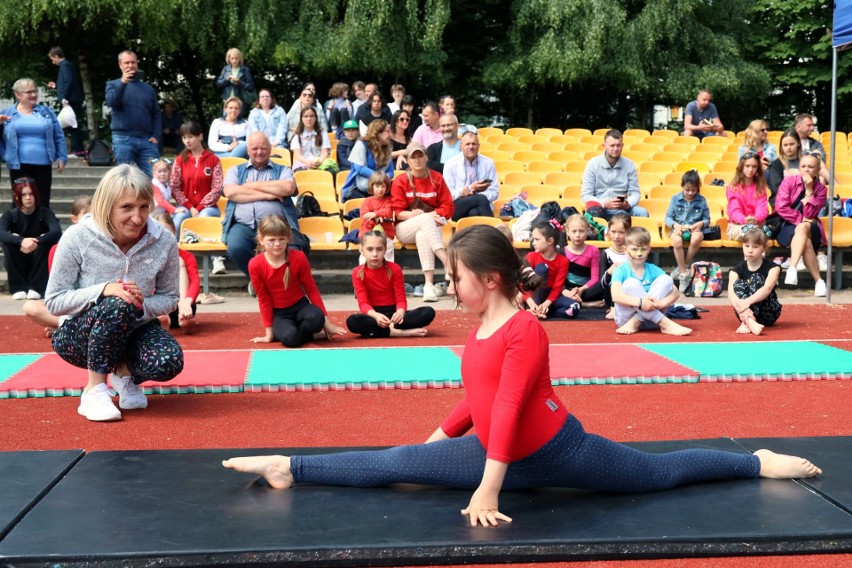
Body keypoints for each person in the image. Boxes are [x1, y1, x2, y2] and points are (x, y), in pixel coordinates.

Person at [223, 224, 822, 527]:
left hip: (558, 450)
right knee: (393, 463)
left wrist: (488, 486)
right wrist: (441, 435)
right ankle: (288, 466)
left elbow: (508, 405)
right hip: (497, 449)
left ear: (488, 279)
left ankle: (755, 461)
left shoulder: (525, 330)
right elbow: (478, 397)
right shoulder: (482, 325)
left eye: (456, 277)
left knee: (657, 475)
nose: (449, 288)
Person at [44, 164, 183, 422]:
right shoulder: (77, 237)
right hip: (78, 336)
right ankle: (94, 389)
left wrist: (142, 305)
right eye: (127, 208)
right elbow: (54, 301)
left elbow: (171, 297)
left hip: (135, 329)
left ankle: (123, 373)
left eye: (144, 206)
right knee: (117, 303)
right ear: (107, 206)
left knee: (169, 361)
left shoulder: (164, 240)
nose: (138, 217)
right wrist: (104, 290)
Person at [249, 214, 345, 347]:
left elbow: (311, 289)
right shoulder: (255, 264)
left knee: (317, 318)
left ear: (288, 238)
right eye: (271, 240)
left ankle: (303, 331)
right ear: (261, 240)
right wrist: (269, 334)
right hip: (280, 313)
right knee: (290, 339)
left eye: (281, 239)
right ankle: (307, 335)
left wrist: (327, 324)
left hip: (301, 306)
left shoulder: (299, 257)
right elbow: (263, 298)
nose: (277, 244)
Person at [222, 132, 305, 282]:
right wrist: (268, 194)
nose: (259, 152)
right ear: (247, 150)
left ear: (270, 149)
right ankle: (260, 281)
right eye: (254, 148)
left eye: (263, 148)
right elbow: (231, 192)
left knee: (293, 249)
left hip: (276, 224)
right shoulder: (236, 170)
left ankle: (280, 282)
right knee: (235, 247)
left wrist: (251, 186)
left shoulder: (283, 169)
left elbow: (287, 188)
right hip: (243, 225)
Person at [391, 142, 454, 303]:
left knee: (422, 234)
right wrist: (415, 215)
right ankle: (448, 262)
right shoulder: (401, 180)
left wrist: (432, 214)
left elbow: (448, 207)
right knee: (424, 220)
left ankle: (428, 285)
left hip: (431, 226)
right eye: (413, 157)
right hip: (405, 227)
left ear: (426, 157)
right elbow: (397, 212)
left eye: (420, 156)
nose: (417, 160)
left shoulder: (437, 177)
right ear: (408, 160)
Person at [347, 230, 435, 338]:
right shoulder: (357, 272)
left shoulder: (395, 269)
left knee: (428, 312)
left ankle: (383, 331)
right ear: (362, 250)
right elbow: (363, 303)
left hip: (394, 316)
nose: (375, 254)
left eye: (379, 249)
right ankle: (398, 333)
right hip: (374, 316)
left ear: (385, 250)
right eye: (370, 249)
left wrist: (400, 313)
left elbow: (401, 299)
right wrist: (376, 316)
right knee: (352, 321)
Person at [23, 196, 90, 336]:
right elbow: (58, 292)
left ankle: (67, 329)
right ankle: (67, 326)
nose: (92, 222)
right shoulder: (59, 248)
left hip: (96, 305)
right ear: (74, 219)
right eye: (87, 216)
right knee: (31, 307)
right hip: (73, 306)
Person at [611, 226, 692, 336]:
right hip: (626, 321)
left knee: (666, 279)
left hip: (652, 322)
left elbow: (675, 292)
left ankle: (637, 320)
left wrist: (661, 303)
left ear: (649, 249)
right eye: (634, 249)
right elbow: (615, 296)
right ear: (625, 249)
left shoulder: (653, 269)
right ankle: (666, 324)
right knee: (631, 283)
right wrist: (641, 303)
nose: (639, 254)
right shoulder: (620, 270)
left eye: (643, 249)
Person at [0, 78, 68, 208]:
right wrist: (4, 155)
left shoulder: (47, 112)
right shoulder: (6, 114)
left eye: (35, 91)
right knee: (20, 200)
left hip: (43, 163)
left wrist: (61, 157)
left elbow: (58, 135)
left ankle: (43, 227)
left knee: (42, 200)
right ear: (18, 95)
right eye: (29, 92)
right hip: (18, 164)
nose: (33, 95)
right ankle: (19, 227)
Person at [170, 122, 226, 276]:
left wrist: (200, 207)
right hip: (186, 207)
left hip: (207, 207)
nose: (187, 141)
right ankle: (169, 261)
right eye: (184, 137)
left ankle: (216, 259)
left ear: (200, 136)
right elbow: (174, 187)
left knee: (205, 217)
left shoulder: (213, 160)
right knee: (179, 218)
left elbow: (217, 187)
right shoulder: (180, 160)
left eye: (191, 136)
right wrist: (189, 206)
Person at [0, 177, 61, 300]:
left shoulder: (45, 213)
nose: (28, 198)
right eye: (24, 194)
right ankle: (18, 287)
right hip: (18, 259)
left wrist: (36, 240)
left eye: (31, 194)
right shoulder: (10, 215)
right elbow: (1, 232)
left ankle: (37, 287)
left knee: (47, 241)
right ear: (16, 196)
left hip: (39, 259)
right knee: (9, 243)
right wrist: (21, 241)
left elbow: (56, 232)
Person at [776, 153, 828, 296]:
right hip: (787, 225)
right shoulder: (788, 182)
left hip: (813, 228)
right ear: (799, 168)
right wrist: (801, 220)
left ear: (817, 170)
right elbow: (781, 207)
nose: (806, 170)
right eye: (803, 166)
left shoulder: (821, 189)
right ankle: (819, 282)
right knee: (806, 240)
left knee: (804, 227)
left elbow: (811, 214)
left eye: (811, 167)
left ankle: (792, 268)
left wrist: (809, 190)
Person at [105, 50, 161, 177]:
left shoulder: (148, 89)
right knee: (125, 179)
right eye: (126, 63)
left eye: (133, 62)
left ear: (137, 64)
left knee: (154, 177)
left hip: (148, 141)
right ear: (120, 65)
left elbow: (156, 113)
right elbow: (112, 102)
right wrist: (123, 83)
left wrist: (156, 136)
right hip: (123, 139)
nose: (130, 65)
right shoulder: (112, 85)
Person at [581, 129, 648, 220]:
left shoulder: (629, 164)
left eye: (618, 145)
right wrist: (604, 203)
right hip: (600, 207)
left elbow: (635, 193)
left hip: (622, 208)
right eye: (612, 145)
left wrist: (628, 204)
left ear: (622, 146)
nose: (616, 149)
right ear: (604, 146)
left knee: (643, 213)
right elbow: (586, 195)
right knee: (594, 212)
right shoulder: (593, 164)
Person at [728, 227, 782, 336]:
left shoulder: (773, 268)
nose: (750, 250)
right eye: (746, 246)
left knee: (756, 277)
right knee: (738, 284)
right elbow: (731, 294)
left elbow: (767, 289)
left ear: (764, 248)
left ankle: (746, 321)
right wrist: (742, 310)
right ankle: (749, 321)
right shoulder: (735, 270)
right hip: (743, 312)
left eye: (755, 247)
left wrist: (746, 303)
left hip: (768, 312)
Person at [665, 170, 712, 292]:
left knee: (696, 238)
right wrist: (675, 226)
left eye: (693, 190)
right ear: (682, 186)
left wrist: (701, 223)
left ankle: (682, 267)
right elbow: (668, 217)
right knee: (677, 242)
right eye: (687, 190)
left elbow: (707, 219)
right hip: (679, 229)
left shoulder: (702, 200)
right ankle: (684, 274)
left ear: (698, 188)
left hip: (694, 229)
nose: (690, 193)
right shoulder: (675, 199)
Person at [153, 213, 198, 333]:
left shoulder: (187, 256)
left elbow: (195, 282)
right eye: (158, 235)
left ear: (174, 232)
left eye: (167, 234)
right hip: (159, 307)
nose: (163, 239)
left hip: (182, 305)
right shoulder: (148, 257)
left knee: (180, 261)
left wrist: (186, 302)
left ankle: (184, 318)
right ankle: (163, 321)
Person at [523, 218, 576, 319]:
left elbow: (557, 287)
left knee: (574, 307)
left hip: (551, 297)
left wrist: (546, 304)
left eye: (537, 239)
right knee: (542, 268)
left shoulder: (563, 261)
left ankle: (543, 311)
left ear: (550, 241)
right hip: (534, 296)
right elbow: (522, 284)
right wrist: (531, 303)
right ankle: (535, 309)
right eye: (533, 239)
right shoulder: (531, 256)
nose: (533, 243)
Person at [443, 131, 499, 221]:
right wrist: (467, 190)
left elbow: (494, 193)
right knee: (481, 199)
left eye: (474, 144)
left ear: (479, 146)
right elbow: (447, 196)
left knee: (474, 213)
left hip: (480, 207)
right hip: (457, 207)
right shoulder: (450, 164)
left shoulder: (488, 163)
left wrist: (474, 196)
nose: (471, 147)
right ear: (461, 147)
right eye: (467, 144)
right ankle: (494, 230)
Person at [341, 119, 394, 201]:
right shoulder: (361, 144)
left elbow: (391, 171)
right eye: (387, 131)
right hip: (357, 189)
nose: (390, 134)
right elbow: (359, 168)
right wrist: (378, 177)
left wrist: (383, 178)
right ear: (378, 133)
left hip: (379, 188)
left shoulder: (387, 148)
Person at [592, 212, 631, 319]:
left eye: (621, 232)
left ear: (628, 232)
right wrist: (610, 271)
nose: (616, 236)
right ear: (608, 231)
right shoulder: (606, 254)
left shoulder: (633, 251)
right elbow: (602, 284)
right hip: (612, 296)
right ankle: (614, 307)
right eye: (613, 232)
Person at [47, 47, 85, 157]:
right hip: (72, 99)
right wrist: (56, 86)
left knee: (73, 124)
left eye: (52, 59)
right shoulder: (66, 65)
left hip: (70, 100)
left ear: (56, 56)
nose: (52, 62)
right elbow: (67, 82)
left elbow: (69, 81)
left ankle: (77, 151)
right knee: (72, 124)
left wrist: (64, 97)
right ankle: (77, 150)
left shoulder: (65, 65)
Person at [726, 151, 770, 241]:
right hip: (737, 226)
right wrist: (744, 220)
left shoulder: (761, 188)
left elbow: (762, 209)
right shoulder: (732, 188)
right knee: (753, 233)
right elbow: (734, 210)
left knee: (756, 232)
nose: (750, 169)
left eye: (754, 167)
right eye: (747, 166)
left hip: (756, 224)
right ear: (741, 167)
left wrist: (755, 219)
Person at [561, 214, 603, 305]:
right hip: (568, 289)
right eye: (574, 231)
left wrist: (581, 289)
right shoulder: (562, 251)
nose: (577, 235)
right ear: (567, 232)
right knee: (554, 287)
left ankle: (578, 301)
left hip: (586, 289)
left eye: (581, 231)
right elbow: (560, 278)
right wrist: (570, 292)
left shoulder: (593, 250)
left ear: (587, 231)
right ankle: (585, 304)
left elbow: (595, 278)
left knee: (604, 285)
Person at [359, 171, 395, 262]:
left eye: (383, 186)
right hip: (368, 235)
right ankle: (363, 274)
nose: (380, 189)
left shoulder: (388, 201)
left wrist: (375, 214)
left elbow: (388, 212)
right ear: (372, 187)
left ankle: (388, 275)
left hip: (386, 235)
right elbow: (364, 217)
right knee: (364, 258)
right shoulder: (367, 201)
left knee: (388, 258)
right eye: (377, 186)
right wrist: (377, 220)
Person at [215, 48, 255, 118]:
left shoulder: (245, 69)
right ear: (229, 59)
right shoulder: (226, 69)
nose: (234, 60)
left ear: (240, 59)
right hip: (227, 99)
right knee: (226, 119)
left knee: (238, 119)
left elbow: (251, 86)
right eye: (232, 58)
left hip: (240, 100)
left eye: (236, 58)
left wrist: (240, 82)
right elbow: (218, 83)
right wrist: (227, 80)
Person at [766, 129, 802, 207]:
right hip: (783, 203)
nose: (788, 147)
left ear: (798, 143)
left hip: (803, 201)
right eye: (785, 145)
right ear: (781, 147)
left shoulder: (806, 162)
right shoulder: (776, 165)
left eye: (791, 144)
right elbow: (777, 189)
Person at [289, 107, 330, 172]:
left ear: (315, 118)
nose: (309, 119)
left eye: (312, 116)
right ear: (301, 119)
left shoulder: (323, 133)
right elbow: (297, 154)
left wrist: (319, 162)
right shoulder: (296, 135)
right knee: (299, 172)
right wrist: (308, 163)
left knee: (331, 171)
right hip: (303, 162)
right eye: (306, 116)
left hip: (320, 161)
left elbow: (325, 153)